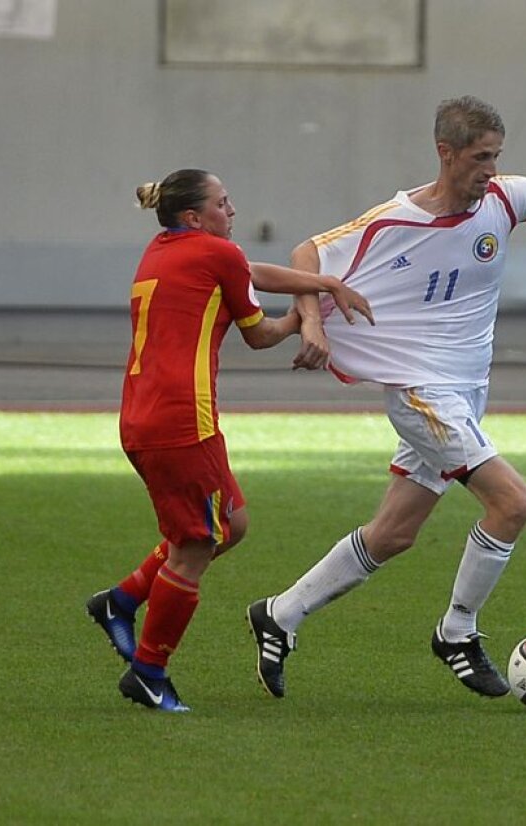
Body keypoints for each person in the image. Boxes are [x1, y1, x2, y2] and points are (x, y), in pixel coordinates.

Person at [246, 95, 526, 700]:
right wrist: (310, 322)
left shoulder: (506, 198)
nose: (490, 169)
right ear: (446, 153)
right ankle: (457, 631)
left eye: (496, 156)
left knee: (393, 534)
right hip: (421, 394)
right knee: (513, 504)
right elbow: (308, 254)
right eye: (479, 157)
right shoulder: (395, 219)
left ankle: (279, 615)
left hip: (465, 394)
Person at [85, 168, 372, 712]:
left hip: (145, 416)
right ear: (196, 216)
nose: (232, 209)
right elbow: (260, 335)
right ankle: (148, 672)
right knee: (194, 547)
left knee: (230, 525)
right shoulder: (218, 257)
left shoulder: (163, 248)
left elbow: (251, 270)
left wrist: (323, 285)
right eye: (223, 202)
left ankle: (121, 601)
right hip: (180, 424)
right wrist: (301, 321)